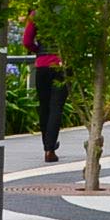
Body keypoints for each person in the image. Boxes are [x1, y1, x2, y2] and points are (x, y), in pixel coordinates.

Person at [26, 13, 68, 163]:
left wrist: (38, 50)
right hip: (60, 63)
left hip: (42, 65)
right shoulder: (69, 11)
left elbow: (27, 41)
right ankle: (50, 148)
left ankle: (47, 146)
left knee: (44, 106)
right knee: (56, 107)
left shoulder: (36, 14)